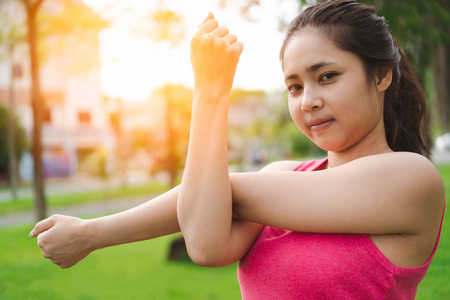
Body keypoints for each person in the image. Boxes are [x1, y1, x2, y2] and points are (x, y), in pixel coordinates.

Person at [30, 1, 445, 298]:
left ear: (381, 76)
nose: (308, 101)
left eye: (328, 76)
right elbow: (207, 243)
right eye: (295, 86)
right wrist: (87, 236)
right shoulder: (283, 175)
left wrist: (212, 90)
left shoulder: (411, 178)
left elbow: (223, 192)